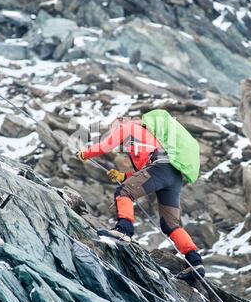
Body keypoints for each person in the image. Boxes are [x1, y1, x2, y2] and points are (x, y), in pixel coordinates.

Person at [76, 114, 205, 281]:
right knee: (170, 224)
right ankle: (194, 261)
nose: (111, 130)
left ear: (122, 122)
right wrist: (123, 176)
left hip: (161, 169)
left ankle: (123, 230)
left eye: (112, 127)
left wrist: (86, 154)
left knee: (124, 192)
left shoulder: (127, 127)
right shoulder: (147, 138)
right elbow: (144, 172)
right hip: (174, 175)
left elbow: (106, 145)